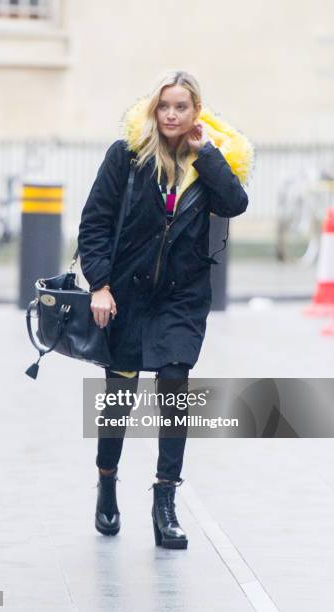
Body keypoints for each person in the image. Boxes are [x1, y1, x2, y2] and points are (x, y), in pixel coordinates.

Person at [77, 69, 253, 549]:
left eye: (182, 107)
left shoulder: (208, 162)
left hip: (181, 297)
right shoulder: (126, 158)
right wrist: (101, 286)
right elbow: (94, 223)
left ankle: (165, 501)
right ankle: (108, 481)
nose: (172, 115)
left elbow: (235, 203)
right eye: (165, 106)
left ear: (197, 113)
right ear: (153, 111)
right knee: (119, 396)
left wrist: (208, 153)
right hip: (126, 295)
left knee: (175, 390)